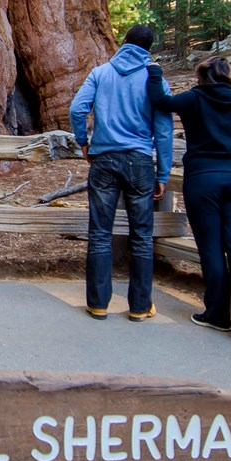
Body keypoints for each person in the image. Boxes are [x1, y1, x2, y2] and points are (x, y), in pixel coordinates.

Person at [147, 55, 231, 341]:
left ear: (201, 77)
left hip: (202, 179)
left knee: (211, 248)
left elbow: (161, 102)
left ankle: (216, 314)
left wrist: (155, 73)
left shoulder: (194, 99)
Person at [69, 25, 174, 322]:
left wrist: (83, 142)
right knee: (141, 236)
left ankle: (98, 303)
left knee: (100, 233)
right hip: (140, 162)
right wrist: (163, 172)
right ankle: (140, 307)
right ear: (148, 50)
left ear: (124, 42)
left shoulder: (100, 74)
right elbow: (164, 130)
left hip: (103, 160)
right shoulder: (155, 79)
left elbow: (78, 109)